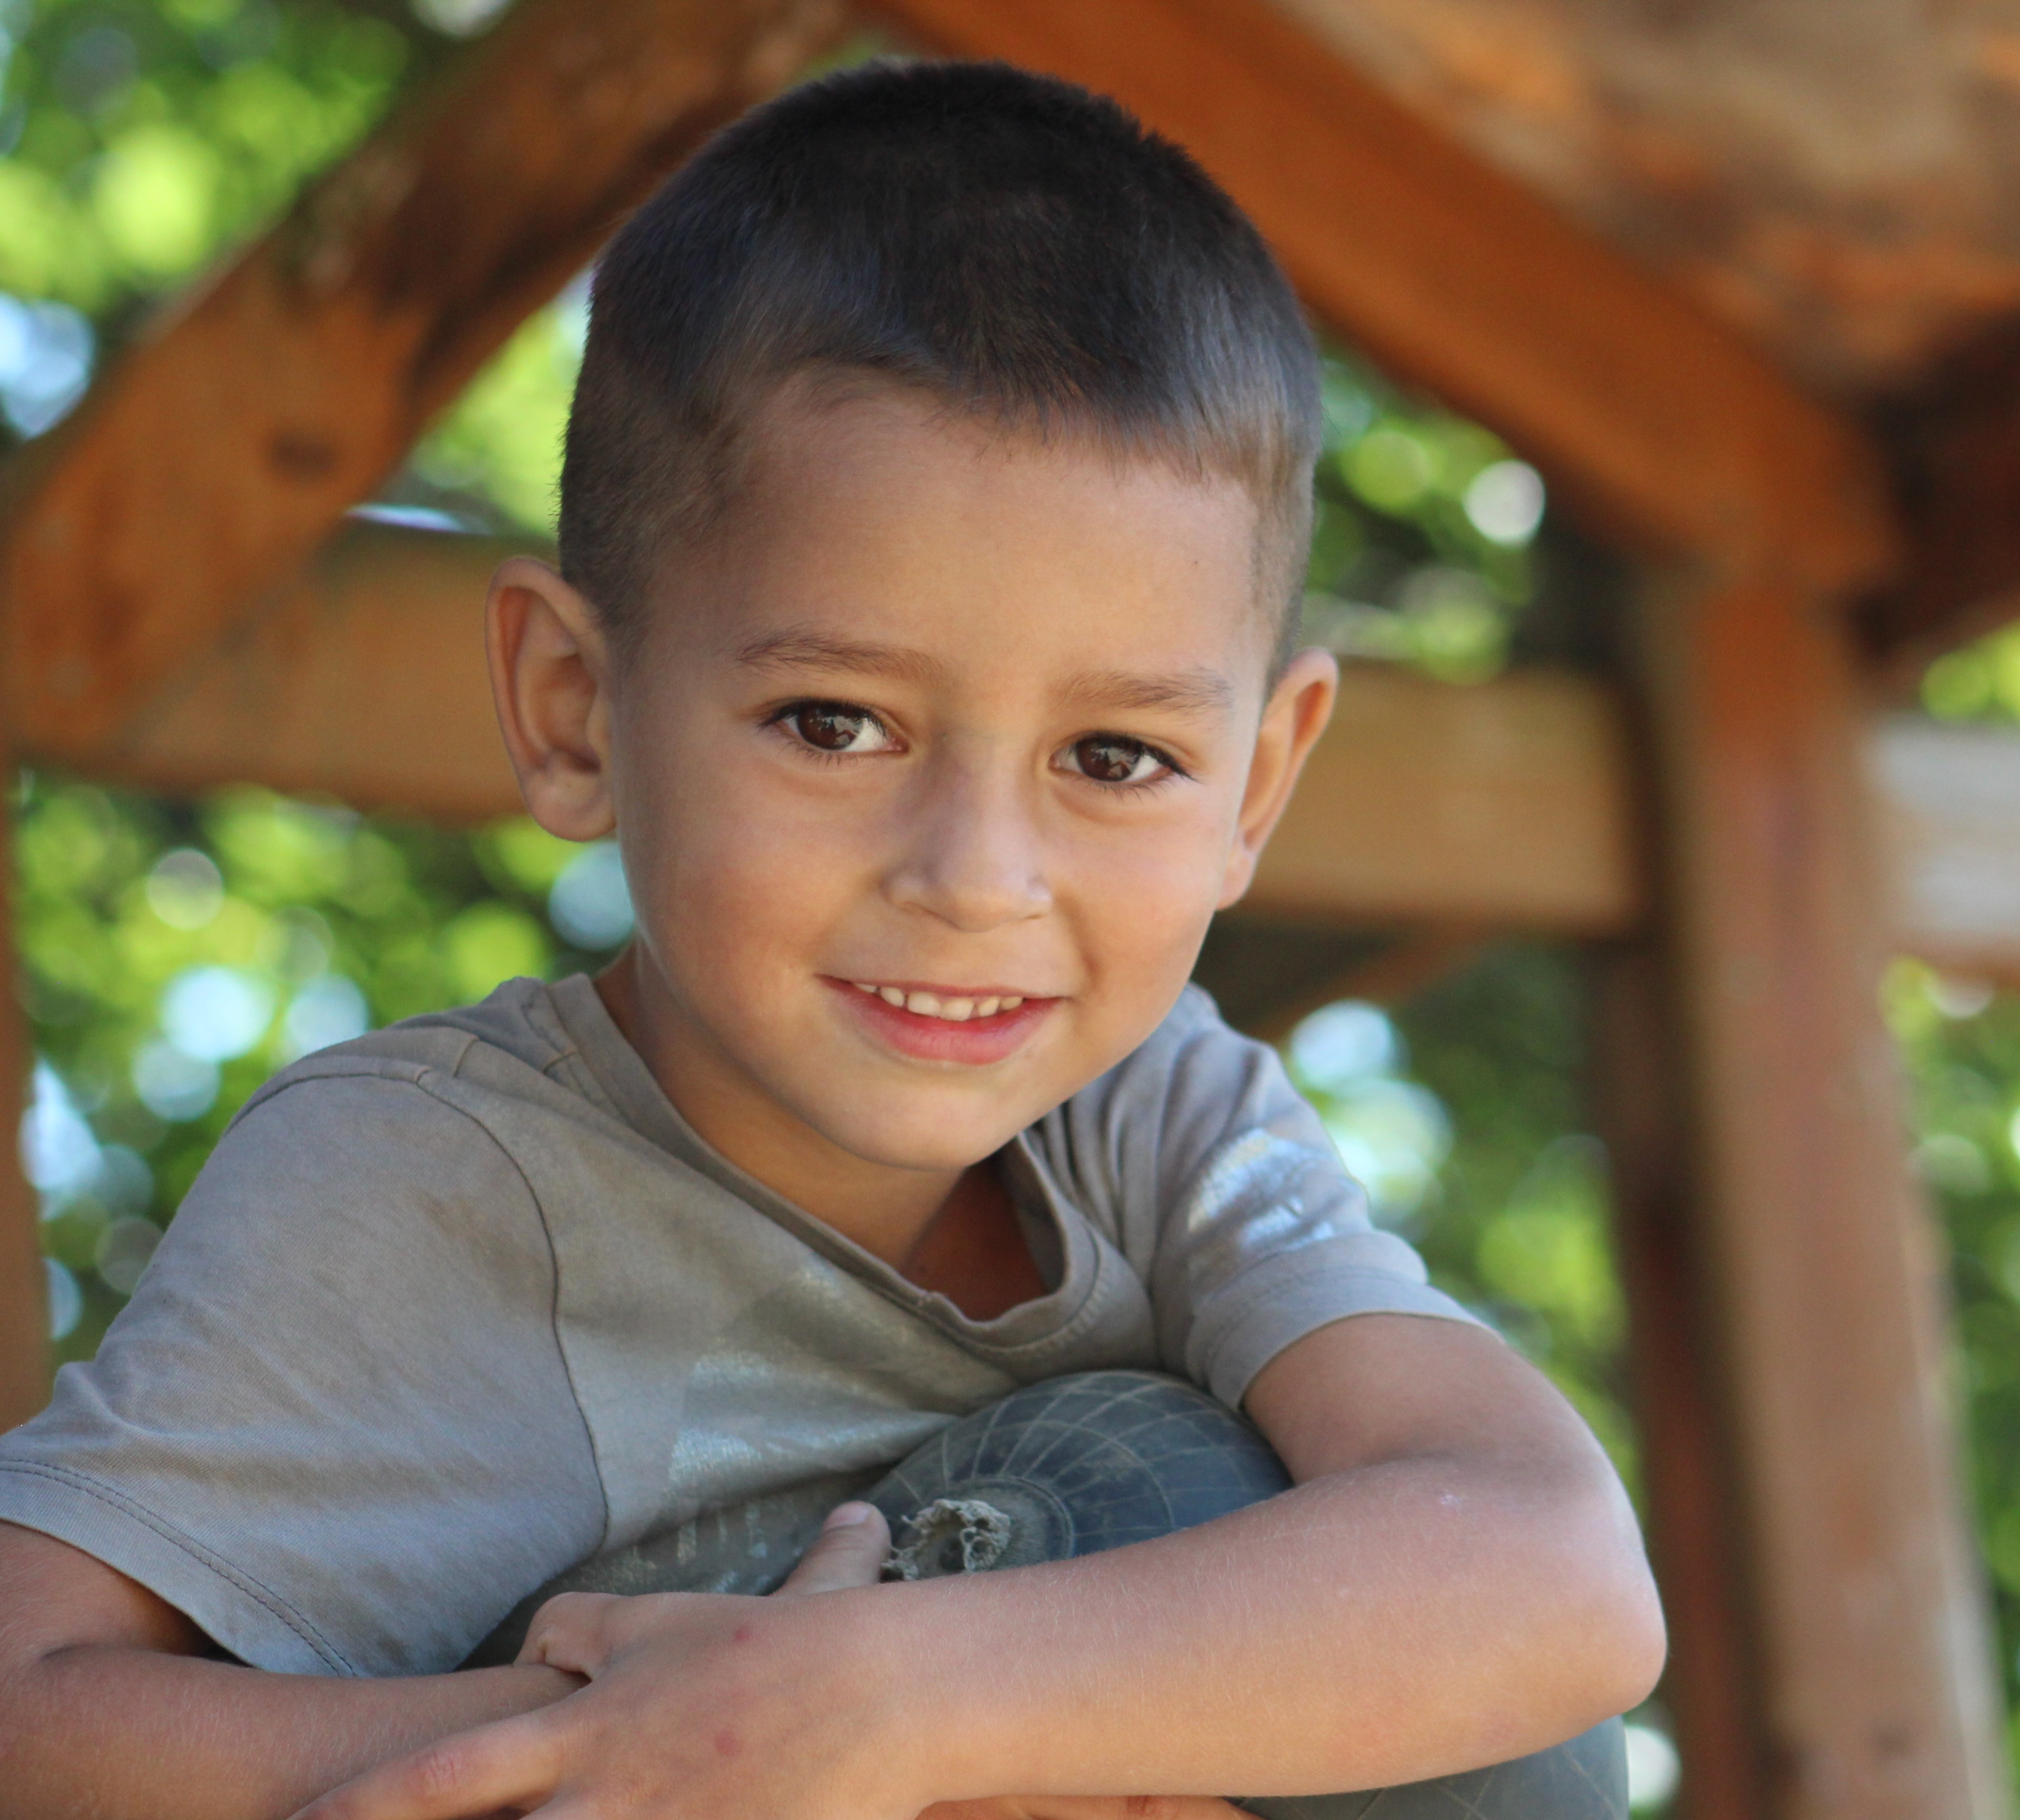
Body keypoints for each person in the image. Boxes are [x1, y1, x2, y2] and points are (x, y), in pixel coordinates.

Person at [0, 62, 1664, 1820]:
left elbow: (1553, 1575)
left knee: (1487, 1735)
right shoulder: (426, 1183)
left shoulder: (1154, 1119)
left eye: (1114, 758)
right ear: (574, 707)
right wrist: (658, 1744)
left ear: (1255, 783)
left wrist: (890, 1710)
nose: (976, 878)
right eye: (834, 724)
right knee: (1160, 1513)